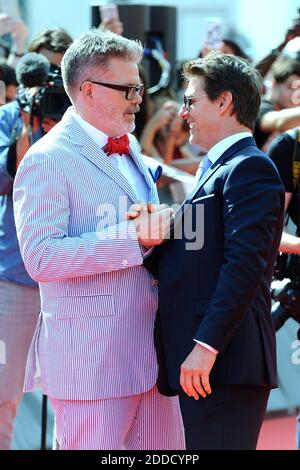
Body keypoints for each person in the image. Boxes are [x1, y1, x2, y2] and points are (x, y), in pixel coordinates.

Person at [13, 29, 184, 451]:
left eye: (138, 87)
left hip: (153, 357)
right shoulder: (47, 159)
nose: (138, 98)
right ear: (88, 90)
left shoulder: (131, 152)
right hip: (93, 364)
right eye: (128, 88)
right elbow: (41, 257)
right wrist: (132, 236)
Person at [144, 52, 285, 450]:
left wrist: (206, 348)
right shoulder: (216, 168)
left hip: (222, 363)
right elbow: (194, 255)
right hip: (205, 364)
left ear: (224, 101)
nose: (183, 112)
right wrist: (152, 232)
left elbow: (243, 265)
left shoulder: (249, 168)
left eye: (191, 101)